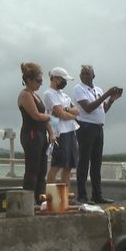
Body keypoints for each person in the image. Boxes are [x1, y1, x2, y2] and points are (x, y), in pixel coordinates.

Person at [73, 65, 122, 204]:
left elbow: (102, 109)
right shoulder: (79, 88)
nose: (84, 75)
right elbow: (88, 108)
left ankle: (97, 195)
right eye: (82, 73)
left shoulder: (98, 89)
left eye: (87, 73)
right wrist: (106, 94)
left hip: (98, 127)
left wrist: (111, 99)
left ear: (93, 76)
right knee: (84, 162)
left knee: (96, 163)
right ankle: (82, 195)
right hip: (86, 127)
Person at [17, 62, 54, 202]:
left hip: (41, 134)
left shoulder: (36, 95)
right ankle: (28, 200)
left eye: (41, 81)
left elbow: (43, 118)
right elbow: (36, 116)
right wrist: (51, 116)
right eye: (38, 81)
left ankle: (40, 198)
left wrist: (51, 133)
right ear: (29, 80)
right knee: (32, 168)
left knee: (42, 169)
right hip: (31, 133)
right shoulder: (26, 95)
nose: (40, 84)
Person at [43, 67, 79, 197]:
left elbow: (76, 111)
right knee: (57, 165)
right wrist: (68, 113)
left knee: (68, 166)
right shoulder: (49, 94)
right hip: (59, 132)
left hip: (70, 130)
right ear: (56, 78)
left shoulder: (63, 94)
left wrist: (67, 110)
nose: (65, 82)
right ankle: (51, 196)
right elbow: (59, 114)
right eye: (63, 80)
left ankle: (65, 196)